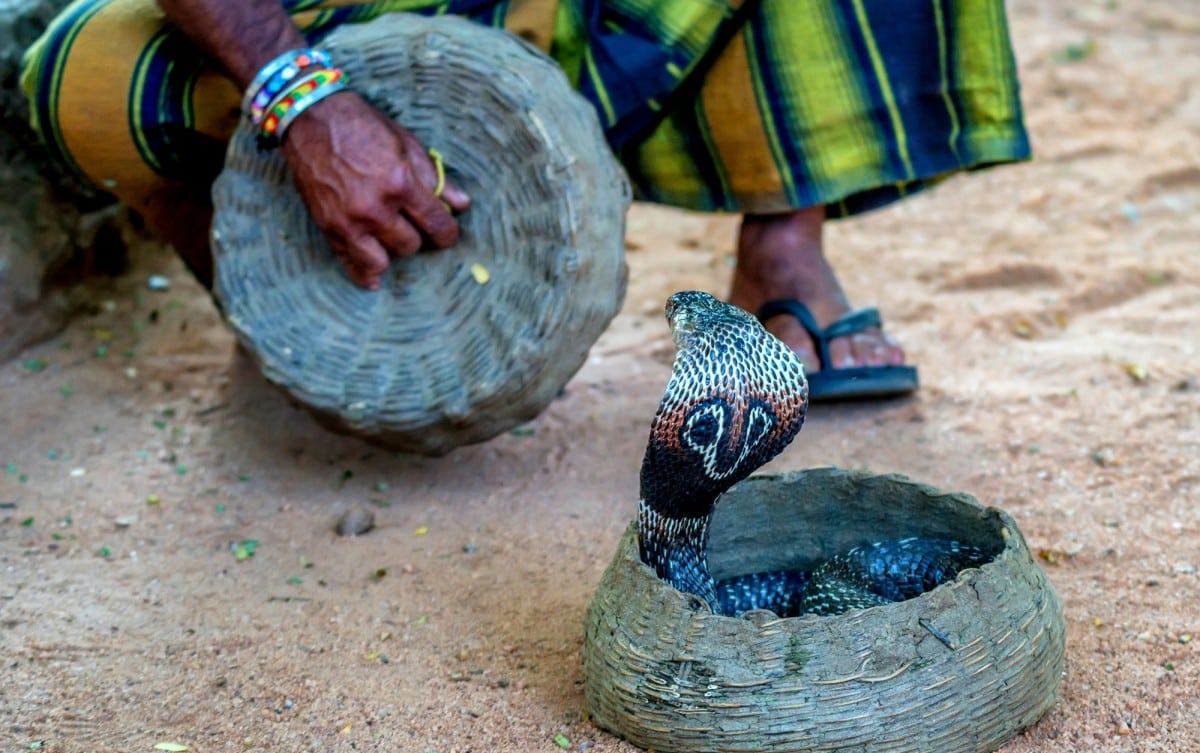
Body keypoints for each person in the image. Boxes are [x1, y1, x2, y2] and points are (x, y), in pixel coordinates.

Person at [21, 0, 1030, 401]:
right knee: (78, 83)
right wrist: (298, 90)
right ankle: (288, 313)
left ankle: (784, 247)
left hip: (597, 19)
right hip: (329, 22)